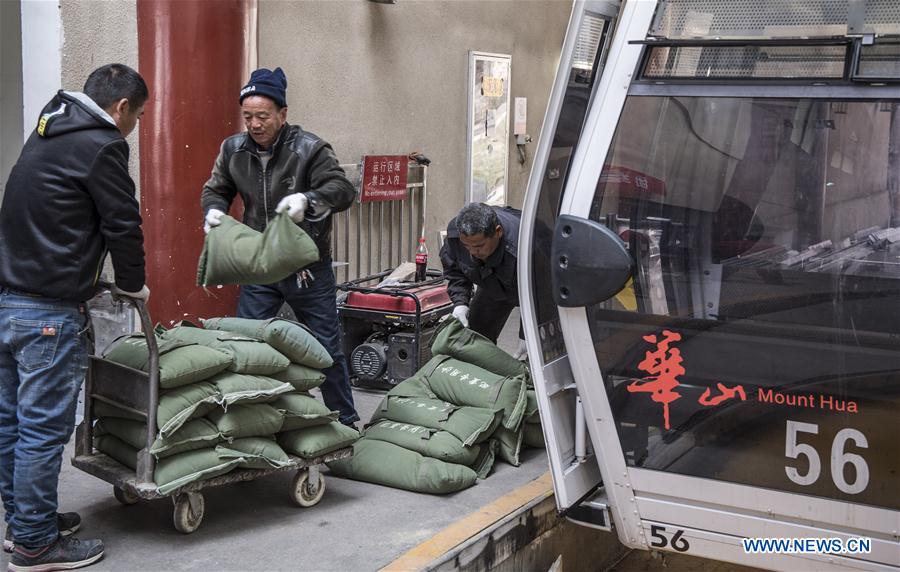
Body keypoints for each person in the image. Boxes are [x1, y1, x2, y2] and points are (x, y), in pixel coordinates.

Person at [0, 63, 149, 571]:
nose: (134, 127)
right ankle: (37, 546)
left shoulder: (49, 127)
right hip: (47, 310)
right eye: (138, 116)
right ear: (121, 107)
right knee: (41, 430)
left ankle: (23, 524)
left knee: (11, 423)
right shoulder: (103, 144)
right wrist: (132, 284)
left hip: (7, 299)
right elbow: (122, 222)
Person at [200, 67, 359, 427]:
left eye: (262, 116)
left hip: (307, 270)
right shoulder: (233, 149)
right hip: (260, 267)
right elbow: (217, 188)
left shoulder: (309, 149)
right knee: (246, 345)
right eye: (248, 117)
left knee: (326, 349)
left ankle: (345, 423)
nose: (254, 124)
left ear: (283, 114)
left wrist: (310, 199)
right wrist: (212, 210)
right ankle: (250, 421)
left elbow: (343, 190)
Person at [440, 202, 526, 357]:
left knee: (539, 348)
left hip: (533, 289)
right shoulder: (456, 235)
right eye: (467, 246)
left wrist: (528, 334)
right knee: (476, 339)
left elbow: (544, 292)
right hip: (491, 285)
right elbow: (455, 271)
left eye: (479, 246)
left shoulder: (524, 245)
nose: (473, 252)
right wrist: (460, 303)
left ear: (497, 232)